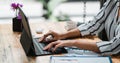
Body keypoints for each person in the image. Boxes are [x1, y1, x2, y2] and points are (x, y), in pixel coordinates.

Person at [39, 0, 120, 55]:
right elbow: (94, 24)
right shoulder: (113, 2)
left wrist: (72, 43)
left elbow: (113, 46)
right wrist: (62, 35)